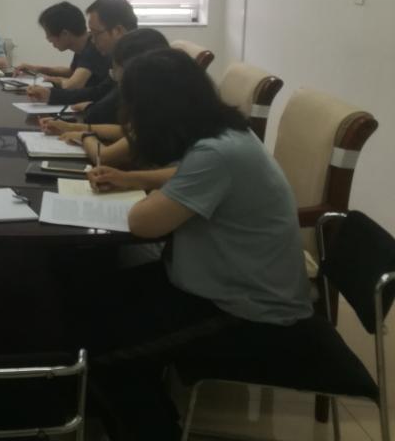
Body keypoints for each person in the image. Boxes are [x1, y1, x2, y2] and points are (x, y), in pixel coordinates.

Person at [69, 49, 313, 441]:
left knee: (98, 348)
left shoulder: (215, 154)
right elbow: (184, 174)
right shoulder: (228, 133)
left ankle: (154, 428)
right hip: (222, 280)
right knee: (88, 297)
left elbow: (143, 223)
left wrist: (141, 189)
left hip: (245, 308)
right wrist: (131, 180)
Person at [40, 28, 169, 167]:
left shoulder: (159, 112)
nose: (119, 85)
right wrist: (71, 127)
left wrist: (84, 136)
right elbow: (127, 130)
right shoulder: (161, 95)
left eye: (117, 75)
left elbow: (104, 156)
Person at [26, 0, 137, 106]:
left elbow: (75, 86)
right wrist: (50, 94)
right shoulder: (120, 57)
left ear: (118, 31)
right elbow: (100, 92)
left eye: (96, 33)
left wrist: (57, 83)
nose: (92, 40)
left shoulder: (139, 62)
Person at [15, 1, 109, 90]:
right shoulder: (83, 45)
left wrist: (53, 80)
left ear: (65, 34)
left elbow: (73, 85)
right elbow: (72, 72)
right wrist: (36, 68)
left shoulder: (92, 48)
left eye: (48, 33)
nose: (48, 38)